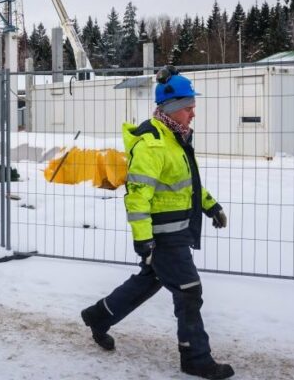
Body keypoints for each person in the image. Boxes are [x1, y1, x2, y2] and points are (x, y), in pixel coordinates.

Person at [80, 66, 233, 380]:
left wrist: (210, 205)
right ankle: (195, 356)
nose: (193, 113)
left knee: (149, 280)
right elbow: (137, 196)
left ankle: (99, 316)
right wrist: (143, 239)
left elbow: (186, 182)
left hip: (177, 229)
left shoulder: (174, 137)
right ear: (173, 108)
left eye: (193, 107)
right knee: (189, 290)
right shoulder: (152, 143)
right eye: (188, 107)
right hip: (163, 235)